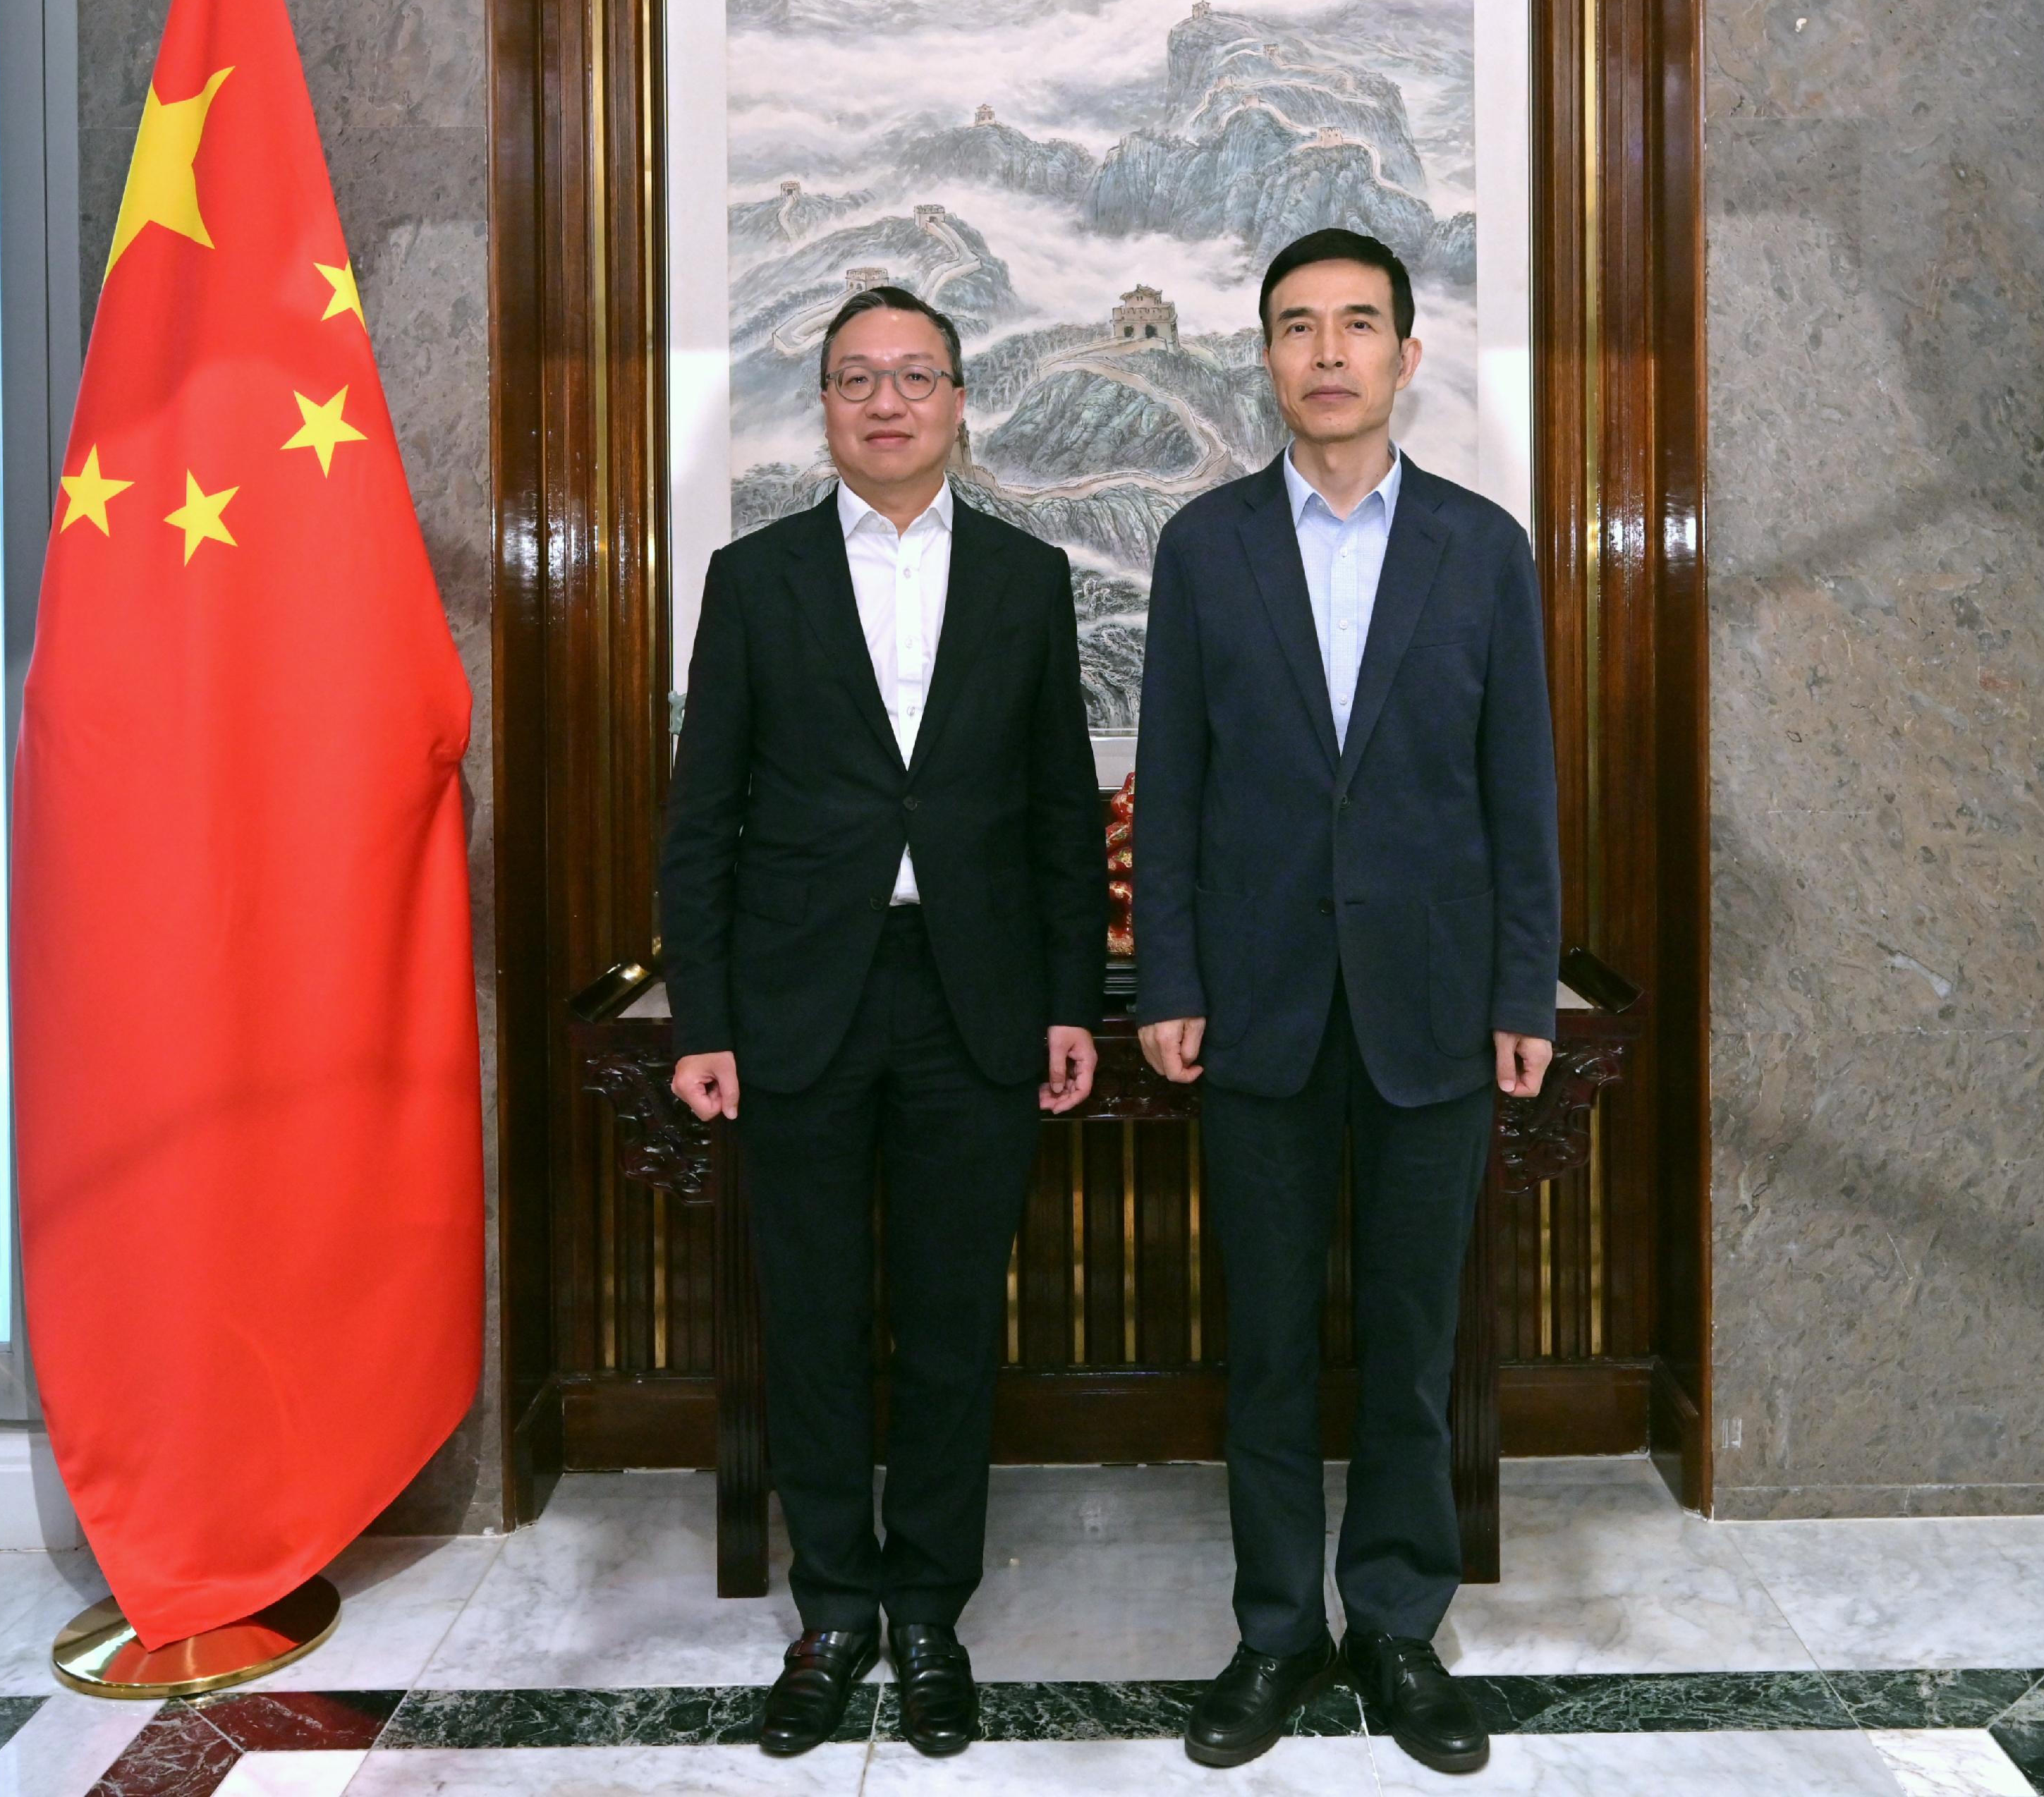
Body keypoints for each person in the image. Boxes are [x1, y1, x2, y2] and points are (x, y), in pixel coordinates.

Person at [1134, 228, 1562, 1777]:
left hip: (1432, 1011)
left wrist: (1525, 983)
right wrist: (1168, 979)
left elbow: (1520, 792)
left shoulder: (1480, 547)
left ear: (1404, 357)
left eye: (1357, 325)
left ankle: (1393, 1624)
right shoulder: (1203, 547)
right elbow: (1169, 791)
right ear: (1263, 358)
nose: (1326, 352)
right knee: (1260, 1346)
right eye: (1297, 327)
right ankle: (1272, 1634)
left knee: (1406, 1339)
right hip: (1249, 1008)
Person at [661, 285, 1108, 1759]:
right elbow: (701, 822)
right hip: (797, 1005)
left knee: (946, 1321)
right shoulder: (755, 577)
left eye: (915, 376)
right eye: (856, 379)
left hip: (970, 1001)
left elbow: (1057, 815)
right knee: (808, 1316)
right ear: (826, 411)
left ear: (962, 401)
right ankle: (834, 1607)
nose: (887, 401)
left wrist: (1064, 1002)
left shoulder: (1025, 581)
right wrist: (703, 1017)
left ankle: (928, 1608)